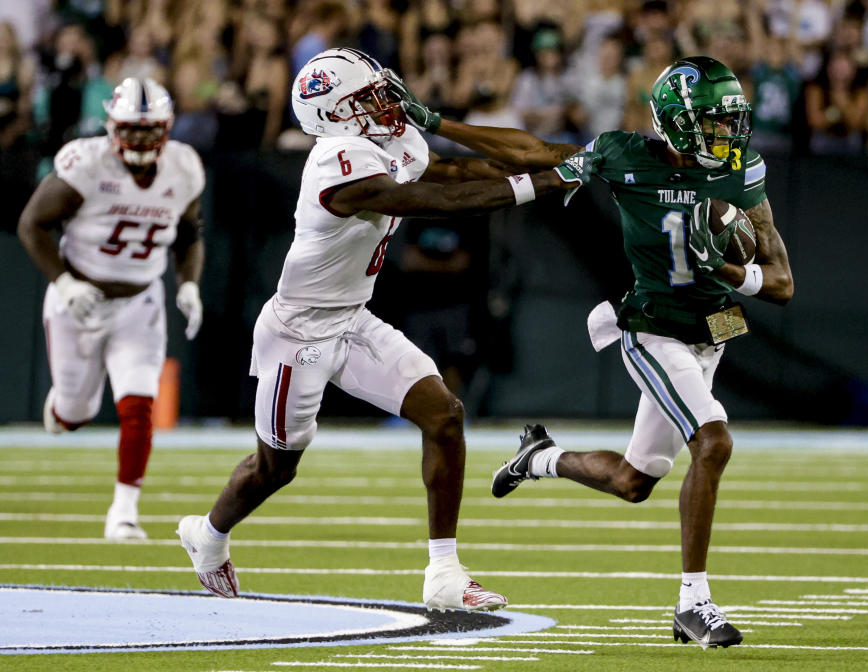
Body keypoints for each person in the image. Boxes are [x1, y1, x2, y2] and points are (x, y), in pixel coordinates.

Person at [390, 55, 794, 646]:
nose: (729, 135)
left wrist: (727, 267)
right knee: (713, 438)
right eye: (714, 122)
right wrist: (436, 121)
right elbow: (533, 153)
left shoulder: (743, 172)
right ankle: (694, 604)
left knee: (634, 480)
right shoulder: (624, 156)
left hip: (713, 332)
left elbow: (781, 281)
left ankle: (539, 458)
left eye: (732, 122)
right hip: (652, 327)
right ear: (679, 122)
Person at [175, 47, 598, 611]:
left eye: (379, 90)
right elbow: (435, 200)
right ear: (335, 116)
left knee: (444, 415)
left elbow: (466, 171)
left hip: (352, 318)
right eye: (366, 98)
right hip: (298, 332)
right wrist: (541, 186)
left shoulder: (390, 141)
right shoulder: (336, 161)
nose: (384, 103)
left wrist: (573, 160)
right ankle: (208, 536)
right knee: (275, 468)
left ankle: (444, 574)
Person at [17, 77, 206, 540]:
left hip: (140, 301)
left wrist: (188, 285)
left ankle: (123, 512)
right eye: (131, 129)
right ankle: (65, 408)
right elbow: (31, 224)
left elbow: (187, 234)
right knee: (75, 415)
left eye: (149, 129)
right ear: (111, 126)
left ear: (167, 128)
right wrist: (63, 281)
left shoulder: (183, 167)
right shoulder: (87, 163)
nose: (140, 139)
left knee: (139, 403)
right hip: (79, 299)